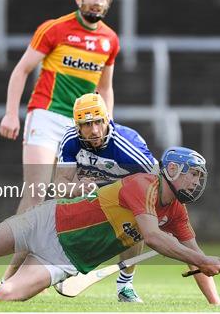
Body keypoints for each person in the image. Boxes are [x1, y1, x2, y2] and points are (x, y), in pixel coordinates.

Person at [0, 147, 220, 305]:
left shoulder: (176, 211)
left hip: (63, 258)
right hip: (46, 220)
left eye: (199, 177)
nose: (196, 183)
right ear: (173, 169)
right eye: (193, 175)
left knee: (6, 298)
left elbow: (195, 256)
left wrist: (215, 302)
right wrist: (202, 259)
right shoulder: (141, 185)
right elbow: (152, 238)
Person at [0, 0, 119, 282]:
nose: (96, 0)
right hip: (46, 116)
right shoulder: (54, 29)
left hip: (82, 126)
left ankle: (38, 271)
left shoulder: (110, 40)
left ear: (108, 2)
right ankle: (6, 279)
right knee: (35, 195)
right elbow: (21, 70)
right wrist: (11, 114)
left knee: (70, 199)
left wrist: (108, 126)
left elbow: (105, 89)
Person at [55, 93, 157, 302]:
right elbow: (60, 187)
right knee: (49, 214)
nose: (94, 130)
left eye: (99, 122)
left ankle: (125, 285)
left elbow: (158, 185)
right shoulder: (70, 141)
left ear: (107, 119)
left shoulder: (129, 148)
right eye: (87, 124)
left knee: (138, 219)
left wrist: (159, 221)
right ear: (77, 126)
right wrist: (78, 189)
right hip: (91, 196)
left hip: (126, 197)